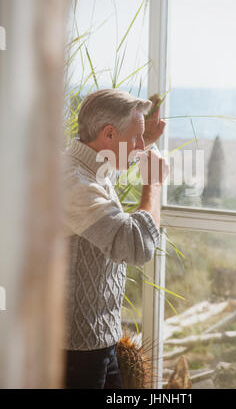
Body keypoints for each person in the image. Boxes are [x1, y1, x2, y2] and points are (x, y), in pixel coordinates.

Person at [62, 89, 168, 389]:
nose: (140, 146)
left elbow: (106, 170)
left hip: (96, 342)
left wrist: (141, 141)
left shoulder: (88, 167)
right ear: (109, 135)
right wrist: (153, 185)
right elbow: (135, 246)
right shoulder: (73, 182)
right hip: (76, 350)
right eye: (135, 136)